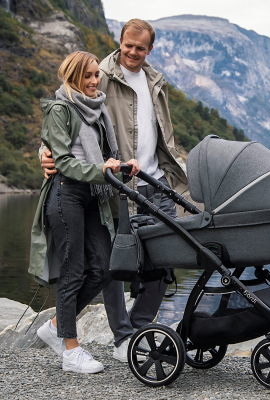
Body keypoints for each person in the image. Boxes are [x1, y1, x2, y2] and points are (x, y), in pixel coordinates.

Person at [40, 19, 189, 363]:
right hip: (117, 186)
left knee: (166, 260)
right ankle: (122, 338)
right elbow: (63, 115)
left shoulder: (156, 81)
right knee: (116, 261)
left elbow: (164, 135)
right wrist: (44, 153)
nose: (133, 52)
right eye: (128, 45)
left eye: (140, 48)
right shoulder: (99, 74)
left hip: (157, 181)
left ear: (150, 49)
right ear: (119, 41)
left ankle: (139, 329)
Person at [30, 51, 140, 373]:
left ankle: (55, 326)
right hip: (66, 194)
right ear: (73, 77)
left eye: (96, 75)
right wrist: (102, 169)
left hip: (93, 196)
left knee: (105, 268)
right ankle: (71, 351)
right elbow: (63, 162)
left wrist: (122, 168)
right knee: (73, 270)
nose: (94, 81)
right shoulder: (60, 109)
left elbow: (103, 159)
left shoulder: (98, 111)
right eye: (88, 76)